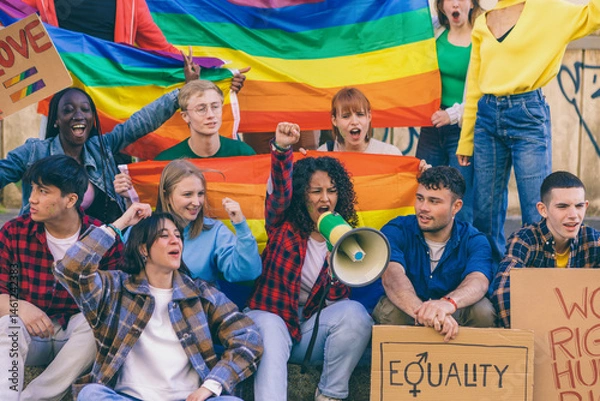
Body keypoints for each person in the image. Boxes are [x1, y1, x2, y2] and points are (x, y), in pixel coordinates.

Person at [54, 204, 263, 401]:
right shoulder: (116, 287)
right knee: (91, 394)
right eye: (164, 236)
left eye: (178, 235)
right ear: (143, 249)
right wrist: (122, 223)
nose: (175, 241)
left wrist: (212, 384)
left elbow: (248, 337)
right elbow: (71, 268)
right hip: (128, 397)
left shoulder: (200, 293)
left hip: (189, 398)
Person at [456, 0, 600, 261]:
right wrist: (466, 140)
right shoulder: (481, 21)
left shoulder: (548, 9)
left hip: (528, 113)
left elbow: (595, 13)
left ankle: (537, 282)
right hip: (487, 116)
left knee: (537, 209)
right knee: (485, 213)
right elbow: (474, 85)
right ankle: (488, 279)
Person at [246, 123, 372, 401]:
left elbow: (337, 304)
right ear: (302, 194)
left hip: (308, 333)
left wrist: (336, 269)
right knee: (270, 328)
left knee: (356, 315)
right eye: (316, 191)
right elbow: (279, 190)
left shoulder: (344, 238)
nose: (325, 198)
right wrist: (281, 149)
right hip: (270, 320)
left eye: (332, 190)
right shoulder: (283, 224)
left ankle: (330, 395)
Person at [0, 58, 199, 223]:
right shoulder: (34, 152)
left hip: (98, 252)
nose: (79, 115)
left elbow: (140, 122)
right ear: (56, 121)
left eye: (85, 110)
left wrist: (184, 92)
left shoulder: (101, 148)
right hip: (42, 252)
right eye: (68, 110)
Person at [0, 155, 123, 401]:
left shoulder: (102, 239)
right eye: (33, 188)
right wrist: (19, 307)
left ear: (70, 199)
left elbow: (113, 306)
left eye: (43, 191)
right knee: (8, 325)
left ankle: (33, 398)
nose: (32, 198)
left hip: (76, 337)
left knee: (98, 328)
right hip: (31, 335)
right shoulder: (14, 233)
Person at [372, 166, 495, 342]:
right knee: (391, 311)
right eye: (420, 198)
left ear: (456, 207)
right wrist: (427, 313)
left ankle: (463, 361)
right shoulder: (396, 229)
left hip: (453, 314)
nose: (423, 208)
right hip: (409, 310)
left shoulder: (474, 239)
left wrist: (447, 304)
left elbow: (479, 281)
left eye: (434, 202)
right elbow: (392, 277)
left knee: (483, 311)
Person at [492, 171, 600, 328]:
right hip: (536, 327)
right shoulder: (525, 239)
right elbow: (502, 291)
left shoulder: (593, 240)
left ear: (586, 206)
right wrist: (526, 337)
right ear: (543, 210)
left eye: (579, 206)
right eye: (562, 206)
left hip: (579, 335)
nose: (573, 215)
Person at [415, 0, 483, 223]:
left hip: (462, 130)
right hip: (432, 127)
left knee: (459, 198)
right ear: (442, 6)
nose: (455, 3)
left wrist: (451, 115)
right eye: (449, 0)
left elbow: (482, 90)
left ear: (472, 5)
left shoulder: (481, 38)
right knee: (424, 187)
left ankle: (460, 252)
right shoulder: (434, 33)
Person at [154, 80, 256, 160]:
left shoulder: (243, 154)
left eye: (215, 107)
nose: (210, 115)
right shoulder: (167, 161)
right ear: (185, 116)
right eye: (201, 109)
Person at [318, 87, 402, 154]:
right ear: (334, 120)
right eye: (346, 116)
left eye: (360, 114)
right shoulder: (322, 155)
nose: (354, 122)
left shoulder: (389, 153)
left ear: (369, 117)